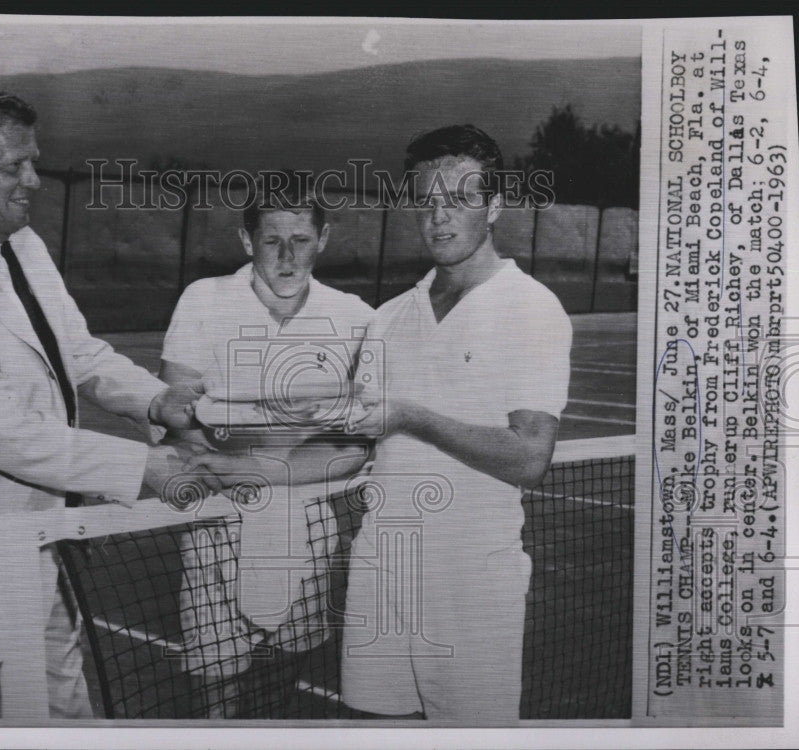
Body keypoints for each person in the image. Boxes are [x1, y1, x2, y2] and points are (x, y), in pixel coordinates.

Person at [0, 84, 213, 720]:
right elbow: (11, 438)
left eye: (33, 160)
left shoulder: (23, 244)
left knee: (63, 702)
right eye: (13, 166)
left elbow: (79, 353)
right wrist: (146, 467)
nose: (34, 179)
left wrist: (160, 402)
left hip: (42, 533)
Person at [339, 125, 572, 723]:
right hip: (380, 572)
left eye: (460, 200)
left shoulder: (531, 308)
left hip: (472, 588)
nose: (439, 218)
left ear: (494, 206)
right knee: (372, 729)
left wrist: (411, 416)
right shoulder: (389, 316)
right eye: (427, 200)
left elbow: (528, 457)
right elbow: (357, 447)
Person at [160, 177, 372, 717]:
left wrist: (245, 459)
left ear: (323, 239)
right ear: (246, 239)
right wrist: (267, 454)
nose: (286, 255)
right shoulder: (202, 300)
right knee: (216, 686)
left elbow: (355, 442)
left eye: (300, 239)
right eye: (271, 239)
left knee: (284, 679)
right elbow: (180, 418)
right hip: (217, 520)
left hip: (307, 520)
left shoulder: (355, 316)